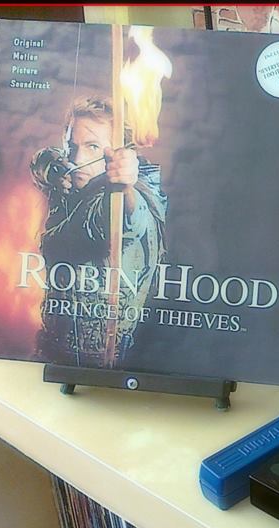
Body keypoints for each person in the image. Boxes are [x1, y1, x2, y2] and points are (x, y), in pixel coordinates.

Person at [30, 95, 167, 368]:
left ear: (118, 154)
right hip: (55, 356)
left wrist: (124, 186)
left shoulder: (125, 197)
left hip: (103, 366)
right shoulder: (73, 183)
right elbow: (46, 158)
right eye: (72, 146)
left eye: (93, 146)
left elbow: (128, 221)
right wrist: (49, 169)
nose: (77, 158)